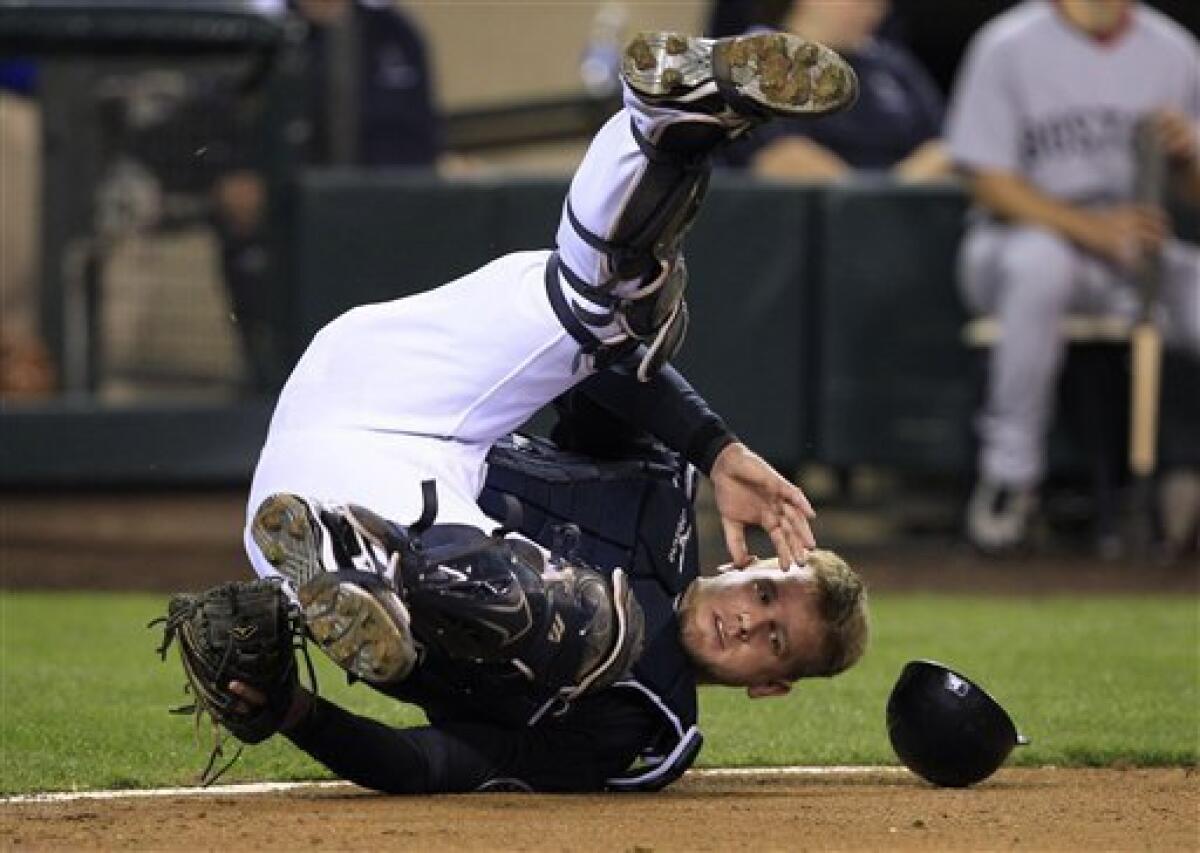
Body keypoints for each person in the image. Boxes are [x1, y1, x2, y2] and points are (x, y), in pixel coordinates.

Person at [184, 30, 869, 795]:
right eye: (767, 592)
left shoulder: (636, 723)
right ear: (744, 561)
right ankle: (669, 123)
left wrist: (294, 711)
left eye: (775, 641)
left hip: (339, 504)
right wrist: (716, 450)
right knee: (616, 322)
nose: (749, 620)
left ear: (771, 686)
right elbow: (607, 380)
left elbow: (437, 762)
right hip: (390, 387)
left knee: (593, 630)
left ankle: (363, 566)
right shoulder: (658, 492)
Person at [946, 0, 1200, 553]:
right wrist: (1089, 229)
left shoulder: (1174, 51)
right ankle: (1009, 480)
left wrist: (1188, 156)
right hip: (1017, 239)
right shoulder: (1008, 43)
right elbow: (987, 180)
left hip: (1135, 248)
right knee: (1042, 265)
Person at [215, 0, 441, 390]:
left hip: (381, 230)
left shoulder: (394, 32)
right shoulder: (258, 32)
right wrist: (237, 175)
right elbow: (221, 129)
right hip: (287, 234)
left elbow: (422, 138)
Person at [720, 0, 950, 181]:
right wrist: (870, 202)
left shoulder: (892, 65)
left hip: (903, 221)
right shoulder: (755, 60)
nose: (875, 9)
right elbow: (783, 159)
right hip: (801, 226)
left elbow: (946, 148)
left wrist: (900, 186)